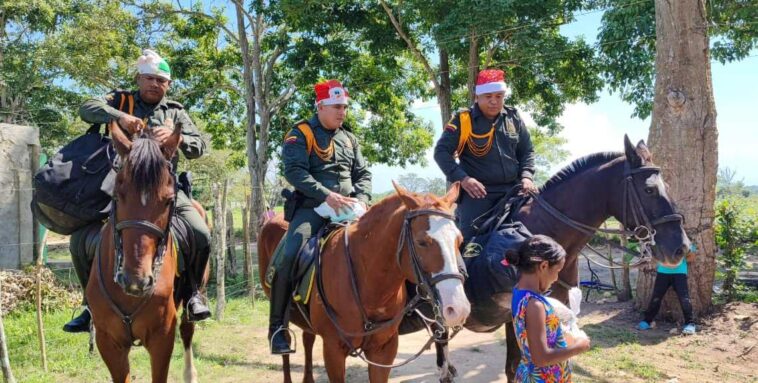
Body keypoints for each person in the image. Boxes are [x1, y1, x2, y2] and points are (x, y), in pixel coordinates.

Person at [63, 49, 211, 333]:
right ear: (138, 79)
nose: (156, 84)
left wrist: (175, 139)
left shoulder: (176, 111)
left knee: (200, 233)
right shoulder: (120, 100)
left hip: (163, 189)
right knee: (79, 239)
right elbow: (87, 107)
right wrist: (120, 116)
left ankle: (193, 293)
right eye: (150, 78)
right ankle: (88, 304)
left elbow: (199, 145)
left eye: (162, 80)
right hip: (119, 188)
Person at [269, 79, 372, 354]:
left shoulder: (349, 138)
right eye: (337, 107)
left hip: (350, 207)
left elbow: (363, 174)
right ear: (321, 106)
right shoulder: (301, 133)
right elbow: (295, 171)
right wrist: (327, 195)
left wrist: (362, 199)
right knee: (291, 253)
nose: (342, 112)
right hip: (312, 208)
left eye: (345, 107)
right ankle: (278, 327)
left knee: (385, 242)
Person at [434, 69, 536, 242]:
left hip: (513, 191)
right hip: (478, 195)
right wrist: (464, 179)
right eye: (488, 96)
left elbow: (527, 151)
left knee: (534, 237)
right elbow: (441, 153)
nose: (494, 101)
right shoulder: (463, 120)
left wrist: (527, 177)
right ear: (477, 97)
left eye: (499, 96)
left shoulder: (513, 117)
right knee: (471, 247)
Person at [508, 235, 591, 382]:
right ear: (544, 266)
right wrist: (579, 346)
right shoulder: (535, 305)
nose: (556, 278)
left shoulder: (519, 292)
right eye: (557, 270)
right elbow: (541, 358)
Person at [638, 249, 696, 335]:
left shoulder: (685, 240)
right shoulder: (661, 240)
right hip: (662, 272)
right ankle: (647, 320)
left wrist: (677, 262)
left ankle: (690, 323)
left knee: (684, 298)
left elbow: (692, 257)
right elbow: (654, 255)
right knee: (656, 297)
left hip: (680, 273)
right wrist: (664, 262)